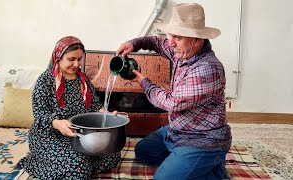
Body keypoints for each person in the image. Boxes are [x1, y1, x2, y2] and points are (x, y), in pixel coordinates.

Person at [116, 3, 232, 180]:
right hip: (177, 131)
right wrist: (134, 43)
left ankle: (213, 168)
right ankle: (187, 163)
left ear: (197, 39)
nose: (171, 43)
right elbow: (155, 42)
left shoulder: (207, 69)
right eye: (171, 36)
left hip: (203, 140)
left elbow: (171, 103)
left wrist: (144, 82)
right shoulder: (183, 50)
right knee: (142, 152)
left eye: (177, 37)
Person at [18, 36, 121, 179]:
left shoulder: (83, 80)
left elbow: (95, 106)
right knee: (78, 164)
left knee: (112, 153)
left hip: (78, 133)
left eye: (79, 59)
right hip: (50, 135)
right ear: (58, 57)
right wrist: (57, 123)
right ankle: (36, 160)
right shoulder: (46, 80)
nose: (76, 64)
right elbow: (39, 114)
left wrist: (107, 115)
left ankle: (79, 163)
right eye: (71, 59)